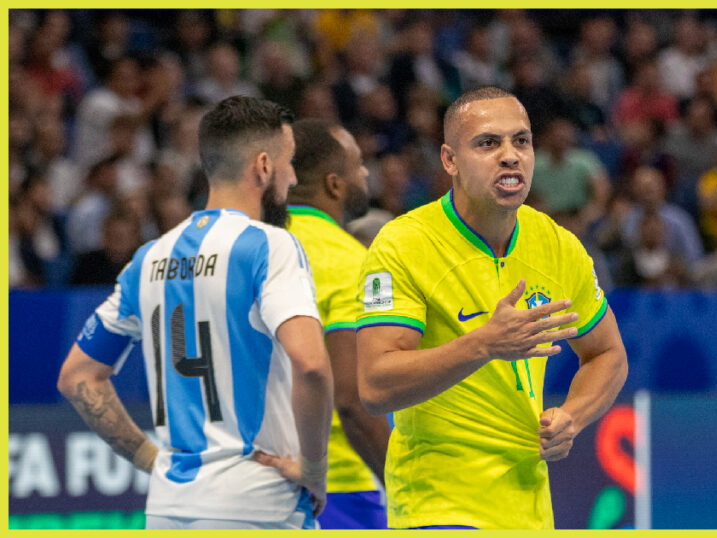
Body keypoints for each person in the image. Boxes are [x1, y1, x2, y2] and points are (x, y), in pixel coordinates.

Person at [355, 87, 628, 529]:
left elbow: (608, 354)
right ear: (449, 160)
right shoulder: (403, 244)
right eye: (488, 143)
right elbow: (374, 385)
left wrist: (573, 416)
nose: (510, 155)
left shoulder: (559, 245)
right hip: (438, 505)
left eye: (521, 141)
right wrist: (483, 344)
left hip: (530, 509)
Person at [56, 96, 333, 529]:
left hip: (168, 508)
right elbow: (312, 365)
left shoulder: (148, 258)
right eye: (289, 162)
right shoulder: (269, 245)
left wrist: (149, 459)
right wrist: (315, 471)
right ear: (263, 165)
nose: (293, 177)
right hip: (257, 504)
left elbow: (77, 376)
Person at [275, 118, 391, 529]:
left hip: (248, 484)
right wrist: (402, 482)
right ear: (334, 185)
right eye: (357, 165)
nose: (364, 174)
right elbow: (352, 401)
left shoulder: (251, 245)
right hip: (337, 488)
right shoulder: (352, 262)